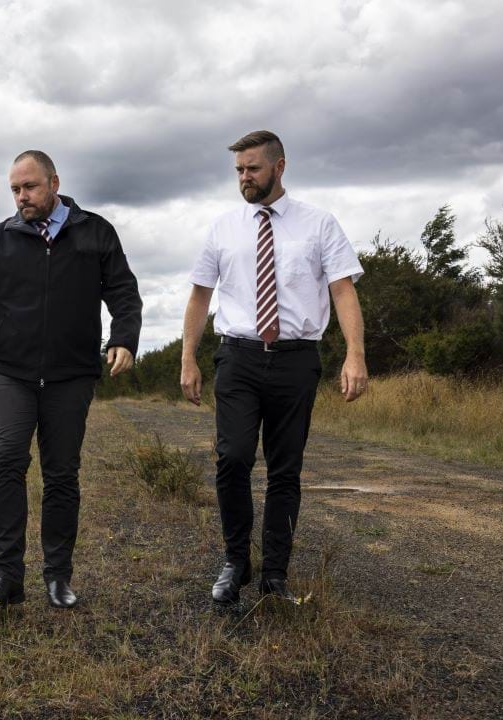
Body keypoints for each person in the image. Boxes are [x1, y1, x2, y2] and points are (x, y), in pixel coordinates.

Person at [0, 150, 142, 609]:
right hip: (10, 373)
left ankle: (58, 577)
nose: (21, 197)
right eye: (15, 189)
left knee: (60, 475)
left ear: (54, 182)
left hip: (70, 375)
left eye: (29, 187)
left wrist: (125, 338)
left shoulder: (95, 232)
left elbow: (122, 291)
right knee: (7, 463)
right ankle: (6, 575)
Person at [180, 130, 368, 607]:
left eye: (253, 169)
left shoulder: (319, 224)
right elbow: (201, 294)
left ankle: (276, 576)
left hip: (296, 360)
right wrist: (188, 358)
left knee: (285, 469)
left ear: (279, 167)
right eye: (239, 170)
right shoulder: (224, 227)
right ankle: (235, 561)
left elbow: (342, 290)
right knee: (234, 458)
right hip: (238, 356)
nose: (244, 178)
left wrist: (355, 354)